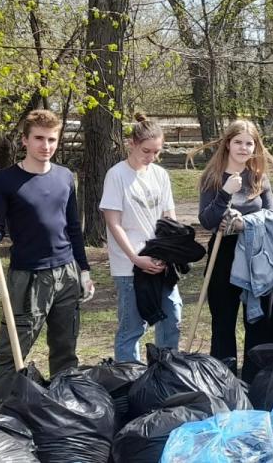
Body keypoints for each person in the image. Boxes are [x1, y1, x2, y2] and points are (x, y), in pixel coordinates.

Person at [0, 109, 94, 405]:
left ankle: (65, 407)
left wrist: (84, 270)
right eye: (39, 138)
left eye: (52, 139)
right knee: (13, 350)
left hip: (67, 273)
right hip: (28, 277)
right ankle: (0, 412)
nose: (46, 146)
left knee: (66, 348)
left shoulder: (65, 177)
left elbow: (73, 227)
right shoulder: (4, 181)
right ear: (25, 140)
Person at [196, 119, 273, 378]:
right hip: (225, 253)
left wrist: (246, 222)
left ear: (255, 147)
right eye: (238, 142)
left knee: (261, 322)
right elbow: (207, 220)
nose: (243, 148)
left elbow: (272, 217)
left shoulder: (259, 178)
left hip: (258, 253)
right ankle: (225, 379)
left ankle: (259, 379)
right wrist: (224, 193)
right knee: (223, 321)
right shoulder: (212, 177)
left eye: (249, 143)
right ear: (227, 144)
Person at [101, 113, 178, 362]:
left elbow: (169, 217)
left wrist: (169, 253)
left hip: (161, 261)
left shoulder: (160, 175)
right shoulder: (117, 175)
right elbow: (113, 223)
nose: (151, 157)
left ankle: (167, 370)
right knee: (132, 326)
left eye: (157, 152)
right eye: (146, 151)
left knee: (172, 317)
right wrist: (135, 257)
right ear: (131, 144)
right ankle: (128, 379)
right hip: (129, 264)